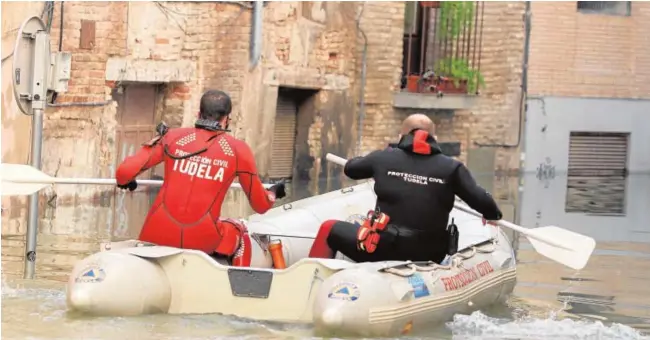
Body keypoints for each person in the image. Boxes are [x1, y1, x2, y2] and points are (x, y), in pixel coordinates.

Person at [115, 90, 286, 265]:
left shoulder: (173, 137)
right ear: (227, 119)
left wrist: (128, 181)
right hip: (202, 241)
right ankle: (235, 284)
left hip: (155, 234)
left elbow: (123, 173)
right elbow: (261, 205)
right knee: (239, 229)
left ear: (198, 113)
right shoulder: (237, 150)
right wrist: (273, 192)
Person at [308, 113, 502, 264]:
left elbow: (351, 169)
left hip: (381, 248)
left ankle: (307, 286)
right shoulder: (452, 167)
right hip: (430, 253)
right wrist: (492, 214)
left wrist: (378, 164)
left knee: (329, 228)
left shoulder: (384, 157)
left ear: (401, 136)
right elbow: (482, 200)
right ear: (434, 137)